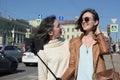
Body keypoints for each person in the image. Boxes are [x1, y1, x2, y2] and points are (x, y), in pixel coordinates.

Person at [62, 8, 110, 80]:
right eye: (82, 20)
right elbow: (72, 66)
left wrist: (99, 33)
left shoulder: (100, 41)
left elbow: (105, 51)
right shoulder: (74, 42)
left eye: (87, 19)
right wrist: (63, 78)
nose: (84, 22)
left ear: (95, 22)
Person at [35, 15, 70, 80]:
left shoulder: (68, 43)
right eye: (58, 26)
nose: (61, 27)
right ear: (50, 32)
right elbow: (42, 76)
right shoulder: (43, 51)